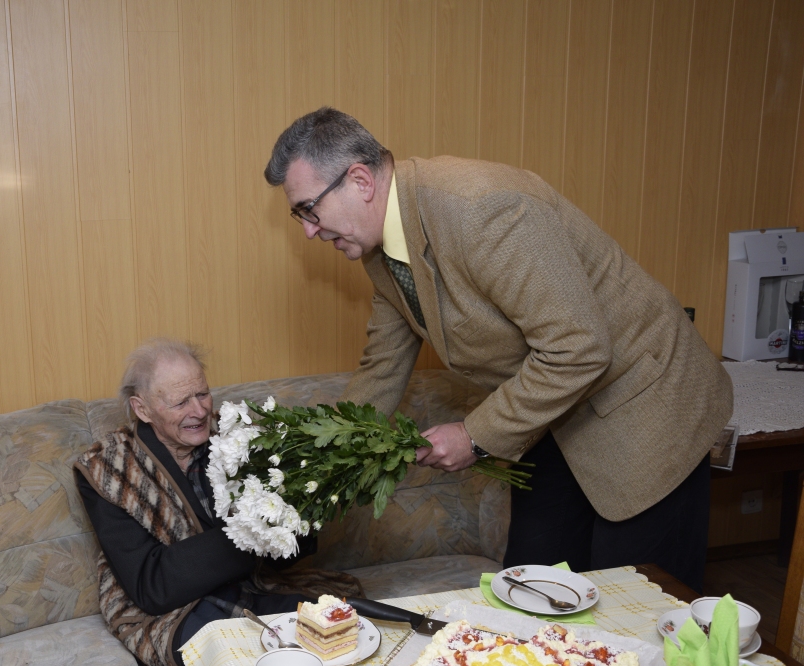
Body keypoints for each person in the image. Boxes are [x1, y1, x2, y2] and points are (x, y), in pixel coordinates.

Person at [264, 107, 732, 592]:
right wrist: (315, 466)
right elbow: (382, 366)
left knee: (635, 607)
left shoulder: (482, 208)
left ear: (359, 180)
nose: (309, 231)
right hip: (554, 415)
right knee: (529, 590)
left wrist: (473, 434)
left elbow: (579, 348)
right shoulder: (381, 250)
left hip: (645, 407)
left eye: (308, 209)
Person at [74, 338, 361, 666]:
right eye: (181, 402)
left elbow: (287, 556)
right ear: (142, 409)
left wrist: (304, 508)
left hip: (255, 588)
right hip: (174, 615)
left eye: (202, 394)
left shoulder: (237, 437)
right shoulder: (108, 468)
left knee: (343, 629)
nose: (199, 411)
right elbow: (154, 586)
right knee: (247, 659)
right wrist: (256, 530)